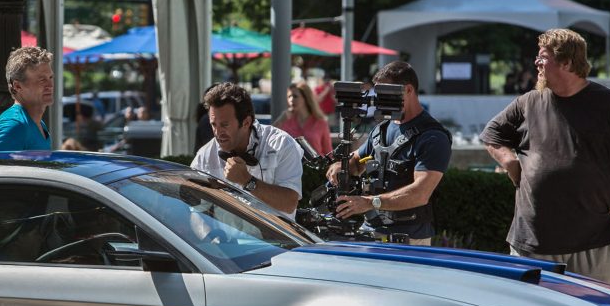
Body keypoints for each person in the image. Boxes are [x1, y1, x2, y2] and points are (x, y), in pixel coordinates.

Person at [481, 28, 610, 287]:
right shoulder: (528, 102)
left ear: (566, 61)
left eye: (543, 57)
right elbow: (492, 134)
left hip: (596, 241)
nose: (536, 63)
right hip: (534, 241)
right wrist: (509, 162)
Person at [326, 61, 452, 245]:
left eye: (387, 93)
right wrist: (339, 167)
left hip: (409, 240)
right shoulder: (381, 130)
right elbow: (355, 163)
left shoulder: (432, 136)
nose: (381, 99)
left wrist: (369, 202)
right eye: (379, 93)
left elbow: (420, 193)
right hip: (370, 233)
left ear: (408, 90)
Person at [191, 82, 303, 219]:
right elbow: (195, 213)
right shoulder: (204, 156)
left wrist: (247, 181)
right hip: (226, 240)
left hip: (277, 239)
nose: (217, 132)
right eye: (214, 124)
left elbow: (289, 203)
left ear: (246, 122)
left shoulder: (282, 144)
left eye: (224, 125)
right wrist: (209, 235)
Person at [0, 46, 54, 152]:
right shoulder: (13, 125)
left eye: (50, 77)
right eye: (42, 79)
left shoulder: (37, 123)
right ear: (17, 86)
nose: (50, 85)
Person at [274, 81, 332, 155]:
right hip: (291, 165)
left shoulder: (320, 122)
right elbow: (268, 137)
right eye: (289, 96)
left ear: (306, 98)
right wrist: (281, 119)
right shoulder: (285, 120)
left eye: (295, 96)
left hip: (315, 165)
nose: (291, 100)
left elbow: (329, 153)